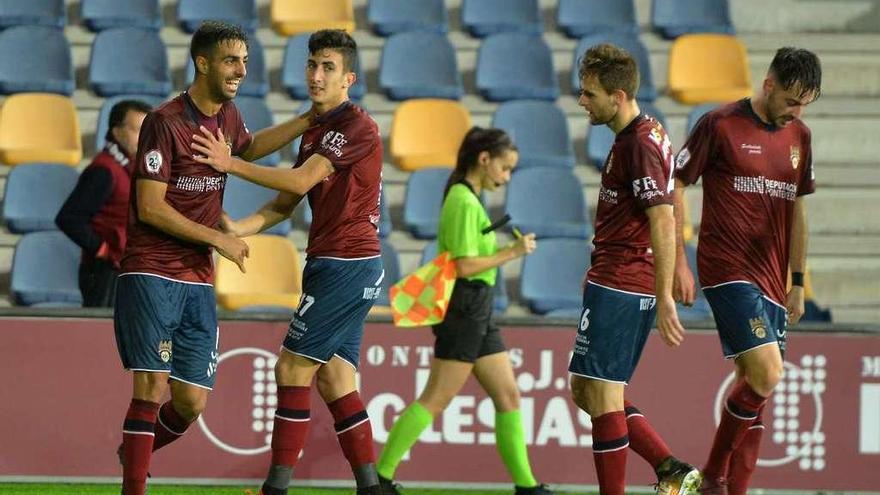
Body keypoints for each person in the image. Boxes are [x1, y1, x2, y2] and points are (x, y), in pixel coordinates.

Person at [114, 21, 314, 495]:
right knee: (151, 386)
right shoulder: (165, 123)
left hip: (197, 277)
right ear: (202, 62)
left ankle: (135, 451)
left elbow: (247, 149)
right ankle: (134, 484)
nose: (241, 70)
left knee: (191, 401)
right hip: (151, 269)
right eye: (231, 60)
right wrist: (218, 235)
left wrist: (309, 119)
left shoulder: (227, 116)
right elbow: (149, 207)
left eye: (244, 60)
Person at [192, 30, 386, 495]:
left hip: (346, 263)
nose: (316, 75)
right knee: (336, 378)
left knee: (290, 370)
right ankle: (372, 487)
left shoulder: (356, 126)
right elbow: (284, 205)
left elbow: (300, 181)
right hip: (335, 263)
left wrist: (229, 165)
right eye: (312, 65)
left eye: (328, 68)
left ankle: (274, 488)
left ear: (349, 80)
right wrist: (236, 229)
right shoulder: (318, 128)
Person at [672, 47, 821, 495]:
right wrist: (680, 256)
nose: (796, 111)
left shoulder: (801, 137)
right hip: (727, 268)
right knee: (768, 373)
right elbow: (676, 183)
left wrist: (797, 280)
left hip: (774, 277)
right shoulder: (719, 125)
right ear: (768, 84)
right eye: (791, 100)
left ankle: (732, 489)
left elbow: (798, 211)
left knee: (755, 386)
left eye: (804, 104)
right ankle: (714, 476)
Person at [375, 127, 552, 495]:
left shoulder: (472, 198)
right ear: (484, 159)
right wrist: (512, 253)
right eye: (504, 168)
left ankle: (527, 487)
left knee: (508, 397)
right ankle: (380, 478)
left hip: (480, 310)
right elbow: (465, 265)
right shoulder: (462, 199)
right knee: (435, 398)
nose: (506, 177)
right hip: (465, 306)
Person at [567, 44, 701, 495]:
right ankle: (670, 467)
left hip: (625, 280)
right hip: (613, 276)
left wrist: (663, 294)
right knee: (585, 390)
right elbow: (668, 201)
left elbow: (662, 216)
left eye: (589, 94)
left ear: (618, 95)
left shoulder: (640, 144)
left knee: (602, 395)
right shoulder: (640, 136)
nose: (582, 101)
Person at [55, 99, 151, 307]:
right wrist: (103, 250)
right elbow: (69, 218)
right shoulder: (104, 170)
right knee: (102, 335)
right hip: (106, 273)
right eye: (137, 130)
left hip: (129, 268)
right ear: (117, 132)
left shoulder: (135, 166)